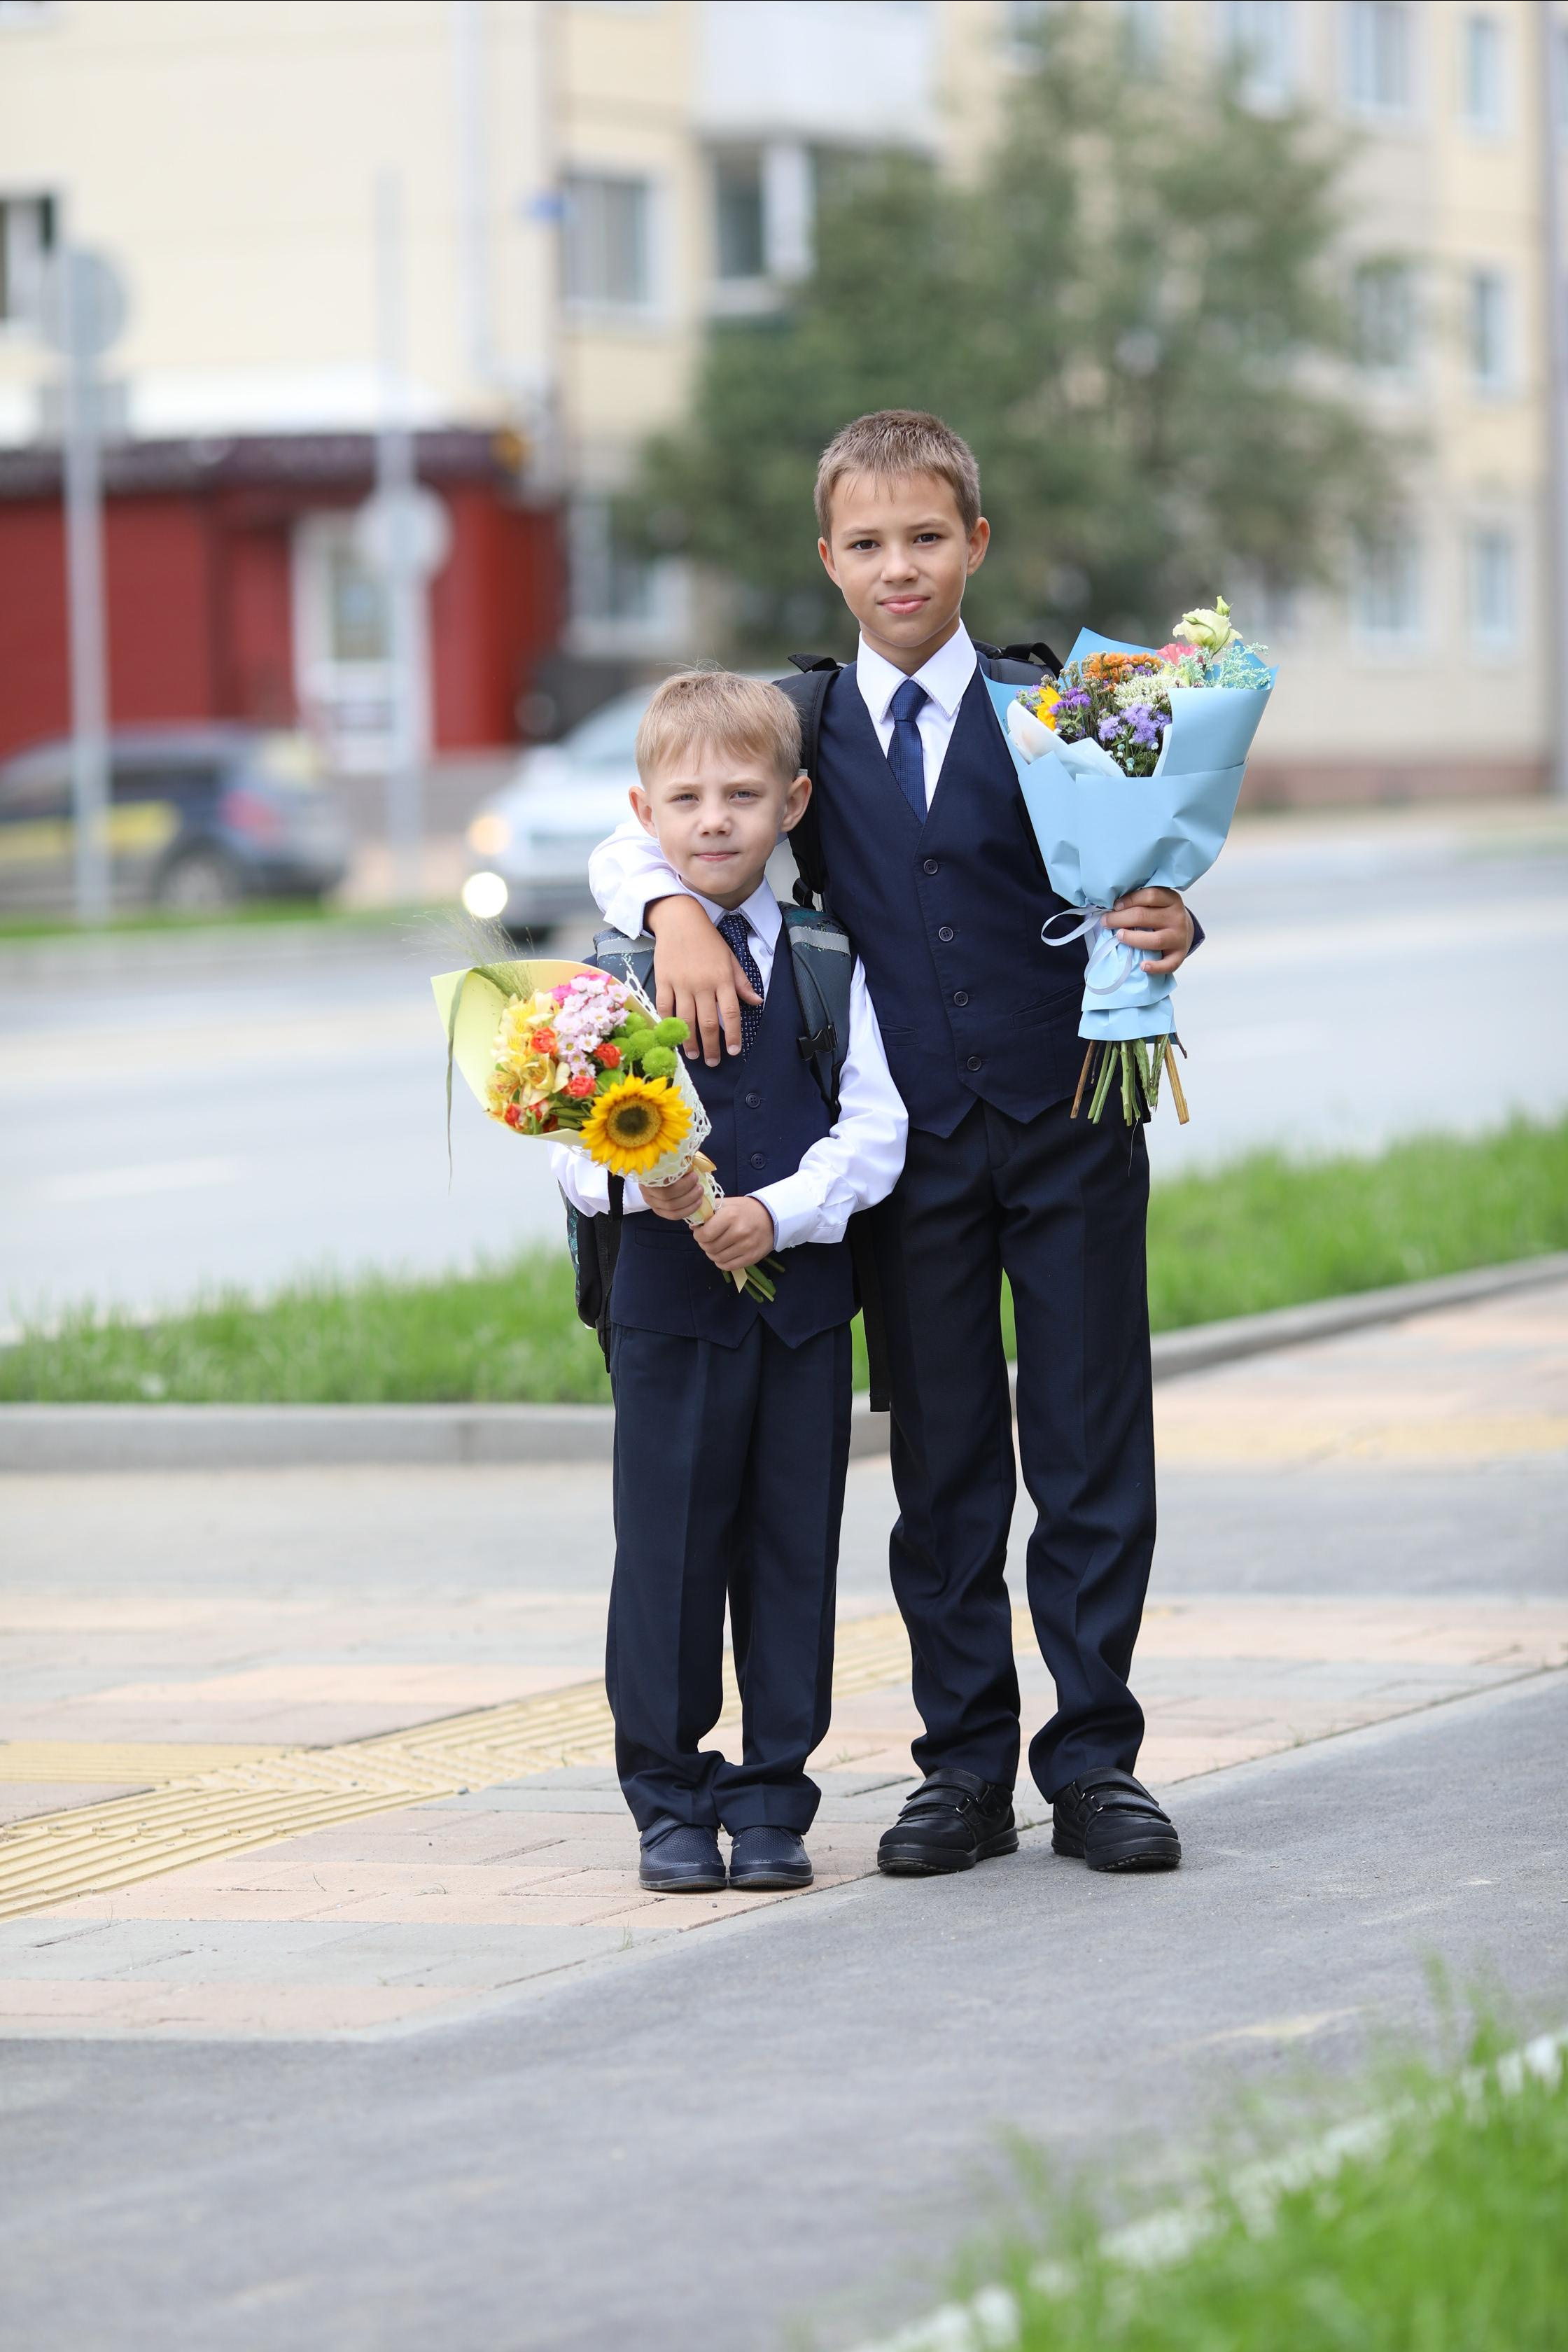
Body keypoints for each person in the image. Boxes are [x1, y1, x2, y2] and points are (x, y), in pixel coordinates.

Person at [589, 411, 1199, 1879]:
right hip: (908, 1158)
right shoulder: (793, 720)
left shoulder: (1063, 702)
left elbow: (1159, 856)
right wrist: (668, 907)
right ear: (829, 561)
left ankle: (1097, 1759)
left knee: (1088, 1446)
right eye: (866, 544)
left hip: (1066, 1126)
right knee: (943, 1470)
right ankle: (965, 1768)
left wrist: (1177, 921)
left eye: (926, 537)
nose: (898, 567)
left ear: (975, 545)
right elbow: (664, 806)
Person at [555, 668, 907, 1895]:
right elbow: (563, 1143)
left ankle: (772, 1795)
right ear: (641, 812)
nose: (716, 819)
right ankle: (667, 1795)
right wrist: (623, 1178)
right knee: (667, 1550)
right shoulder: (609, 976)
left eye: (745, 795)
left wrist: (782, 1213)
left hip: (802, 1309)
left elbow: (875, 1133)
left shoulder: (826, 960)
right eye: (689, 798)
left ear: (794, 802)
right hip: (664, 1311)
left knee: (792, 1547)